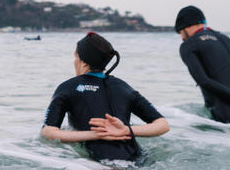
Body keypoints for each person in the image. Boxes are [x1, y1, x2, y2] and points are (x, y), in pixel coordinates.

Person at [42, 32, 170, 163]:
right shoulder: (124, 87)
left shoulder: (68, 87)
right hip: (138, 160)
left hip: (100, 165)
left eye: (76, 56)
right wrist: (126, 130)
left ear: (84, 63)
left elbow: (48, 132)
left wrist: (94, 135)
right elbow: (163, 125)